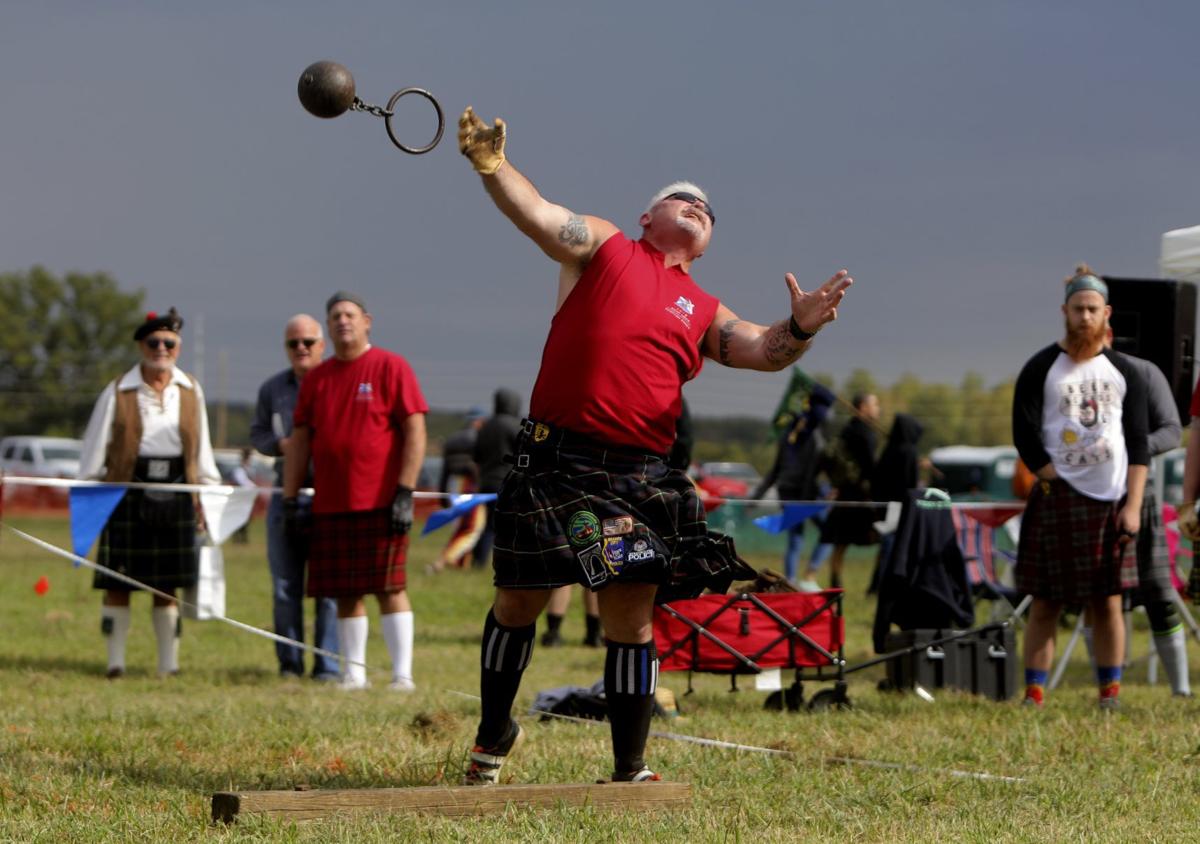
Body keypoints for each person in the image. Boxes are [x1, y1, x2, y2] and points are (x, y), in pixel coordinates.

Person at [457, 105, 852, 784]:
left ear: (707, 242)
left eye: (706, 209)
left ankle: (629, 769)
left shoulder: (701, 307)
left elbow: (762, 349)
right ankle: (494, 736)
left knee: (630, 615)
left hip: (636, 476)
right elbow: (542, 215)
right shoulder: (605, 247)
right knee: (518, 600)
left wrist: (801, 326)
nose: (696, 206)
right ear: (648, 218)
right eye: (681, 199)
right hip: (556, 457)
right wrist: (493, 167)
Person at [1011, 266, 1149, 710]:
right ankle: (1034, 694)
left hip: (1111, 501)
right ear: (1064, 312)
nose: (1085, 317)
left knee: (1107, 601)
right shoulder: (1041, 368)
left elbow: (1140, 443)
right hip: (1059, 498)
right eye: (1077, 309)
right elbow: (1023, 432)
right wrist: (1050, 474)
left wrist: (1134, 505)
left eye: (1093, 309)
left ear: (1106, 313)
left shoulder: (1125, 371)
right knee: (1046, 602)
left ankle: (1109, 694)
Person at [283, 293, 428, 691]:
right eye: (334, 317)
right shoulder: (317, 378)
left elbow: (415, 430)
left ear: (367, 321)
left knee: (390, 587)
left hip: (382, 499)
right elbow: (299, 442)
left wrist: (405, 490)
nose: (342, 321)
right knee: (344, 591)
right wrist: (290, 497)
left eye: (349, 315)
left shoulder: (391, 367)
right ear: (328, 328)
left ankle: (402, 675)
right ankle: (354, 674)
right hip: (332, 502)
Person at [78, 307, 221, 678]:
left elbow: (202, 449)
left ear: (178, 347)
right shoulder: (118, 390)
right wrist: (93, 489)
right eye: (154, 342)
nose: (162, 349)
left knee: (167, 584)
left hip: (176, 491)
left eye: (169, 343)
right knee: (118, 582)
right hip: (126, 493)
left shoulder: (191, 390)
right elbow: (95, 447)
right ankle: (115, 663)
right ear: (141, 345)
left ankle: (168, 666)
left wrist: (205, 493)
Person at [249, 314, 340, 681]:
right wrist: (282, 445)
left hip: (329, 496)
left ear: (322, 345)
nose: (301, 349)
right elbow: (257, 433)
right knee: (285, 587)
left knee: (329, 589)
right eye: (293, 343)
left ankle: (327, 667)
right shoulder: (272, 389)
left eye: (308, 342)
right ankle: (289, 665)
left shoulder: (337, 381)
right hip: (284, 493)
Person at [1100, 345, 1186, 697]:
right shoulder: (1068, 373)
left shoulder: (1144, 371)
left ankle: (1181, 690)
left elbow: (1171, 430)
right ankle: (1106, 688)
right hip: (1087, 496)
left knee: (1159, 594)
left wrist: (1132, 447)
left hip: (1140, 492)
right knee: (1098, 597)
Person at [752, 383, 836, 588]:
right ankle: (808, 575)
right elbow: (808, 470)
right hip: (805, 495)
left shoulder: (791, 431)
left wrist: (758, 495)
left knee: (796, 540)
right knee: (830, 532)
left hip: (789, 493)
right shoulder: (815, 435)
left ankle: (790, 583)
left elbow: (776, 470)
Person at [818, 392, 881, 589]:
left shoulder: (846, 430)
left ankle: (835, 582)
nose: (878, 409)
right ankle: (875, 585)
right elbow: (871, 467)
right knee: (886, 539)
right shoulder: (866, 433)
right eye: (875, 404)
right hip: (862, 496)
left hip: (845, 494)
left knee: (840, 543)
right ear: (863, 407)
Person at [429, 407, 488, 573]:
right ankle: (446, 559)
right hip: (470, 484)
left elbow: (445, 469)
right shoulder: (479, 439)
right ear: (478, 421)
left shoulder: (453, 439)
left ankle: (461, 563)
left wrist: (443, 493)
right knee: (472, 527)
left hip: (454, 483)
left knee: (461, 525)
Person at [471, 388, 522, 568]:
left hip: (486, 483)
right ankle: (509, 563)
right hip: (509, 483)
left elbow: (476, 456)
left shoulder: (485, 427)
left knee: (488, 525)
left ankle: (478, 561)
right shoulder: (515, 426)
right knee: (511, 525)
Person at [228, 447, 257, 545]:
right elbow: (243, 482)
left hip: (246, 499)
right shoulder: (239, 470)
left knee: (245, 519)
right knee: (238, 517)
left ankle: (243, 538)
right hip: (239, 498)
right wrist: (254, 486)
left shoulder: (250, 470)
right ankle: (237, 539)